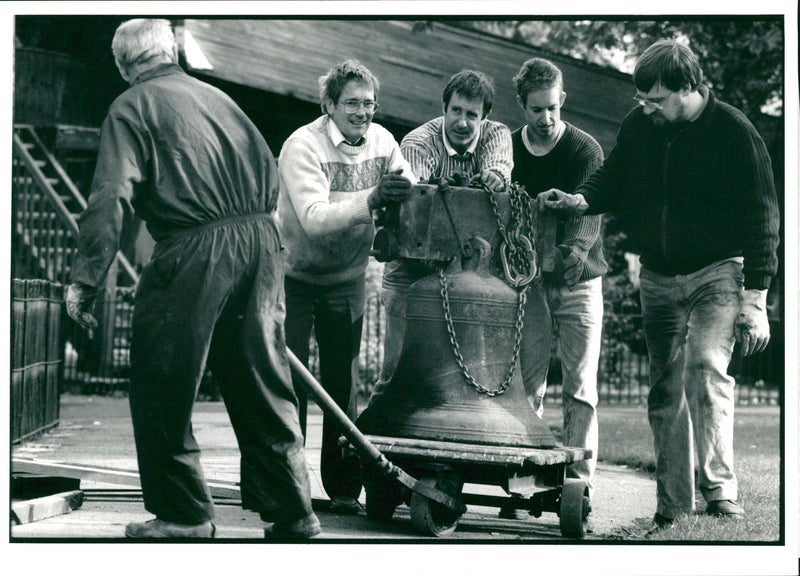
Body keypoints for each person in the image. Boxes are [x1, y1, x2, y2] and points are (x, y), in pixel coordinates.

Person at [64, 19, 321, 540]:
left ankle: (184, 515)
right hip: (261, 239)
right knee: (263, 379)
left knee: (163, 377)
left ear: (123, 63)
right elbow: (267, 168)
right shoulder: (219, 99)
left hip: (195, 247)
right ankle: (295, 511)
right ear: (171, 50)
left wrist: (86, 278)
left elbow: (111, 195)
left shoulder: (131, 106)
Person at [537, 39, 780, 528]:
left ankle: (720, 492)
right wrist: (581, 200)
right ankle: (673, 507)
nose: (646, 108)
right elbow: (614, 175)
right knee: (664, 389)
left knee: (705, 368)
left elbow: (763, 218)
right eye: (642, 99)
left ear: (688, 88)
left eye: (656, 99)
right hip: (658, 276)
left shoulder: (735, 132)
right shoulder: (641, 125)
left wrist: (756, 299)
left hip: (718, 271)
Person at [277, 59, 415, 514]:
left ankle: (342, 489)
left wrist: (399, 214)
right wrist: (372, 199)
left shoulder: (384, 142)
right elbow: (315, 220)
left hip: (346, 277)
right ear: (329, 105)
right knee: (289, 383)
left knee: (343, 384)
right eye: (352, 103)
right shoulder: (302, 146)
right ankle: (286, 486)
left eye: (369, 103)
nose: (362, 112)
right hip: (292, 276)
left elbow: (410, 191)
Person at [366, 69, 513, 405]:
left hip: (467, 272)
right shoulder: (419, 142)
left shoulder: (496, 134)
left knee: (455, 377)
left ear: (485, 116)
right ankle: (371, 433)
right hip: (411, 270)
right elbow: (417, 200)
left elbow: (499, 167)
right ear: (444, 107)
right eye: (456, 111)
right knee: (395, 372)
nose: (462, 122)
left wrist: (495, 176)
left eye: (472, 114)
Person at [509, 57, 607, 512]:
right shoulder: (510, 149)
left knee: (580, 387)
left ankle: (578, 484)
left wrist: (576, 250)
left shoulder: (584, 149)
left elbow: (590, 210)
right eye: (536, 109)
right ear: (522, 106)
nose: (546, 118)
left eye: (552, 108)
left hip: (579, 282)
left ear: (562, 100)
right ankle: (523, 478)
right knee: (526, 383)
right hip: (528, 282)